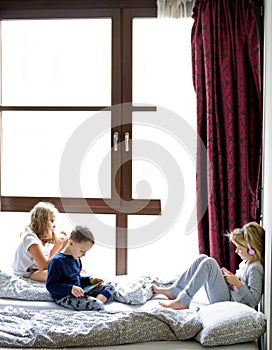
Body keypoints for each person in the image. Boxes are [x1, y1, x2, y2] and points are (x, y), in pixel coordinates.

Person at [152, 221, 265, 310]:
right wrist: (229, 277)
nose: (236, 251)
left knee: (209, 263)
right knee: (202, 258)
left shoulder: (255, 268)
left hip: (230, 301)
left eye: (239, 248)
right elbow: (240, 283)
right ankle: (174, 291)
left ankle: (184, 300)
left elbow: (254, 300)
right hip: (229, 294)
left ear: (252, 250)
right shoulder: (246, 263)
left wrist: (237, 283)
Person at [46, 225, 116, 311]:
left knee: (111, 285)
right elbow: (51, 286)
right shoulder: (57, 261)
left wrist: (90, 280)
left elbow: (77, 278)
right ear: (71, 243)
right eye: (82, 251)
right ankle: (95, 303)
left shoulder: (76, 259)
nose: (84, 255)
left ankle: (93, 302)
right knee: (96, 304)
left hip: (80, 291)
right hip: (65, 296)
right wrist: (70, 288)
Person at [12, 201, 68, 282]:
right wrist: (61, 248)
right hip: (26, 274)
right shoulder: (30, 239)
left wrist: (59, 243)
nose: (54, 225)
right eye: (51, 221)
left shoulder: (41, 237)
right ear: (42, 222)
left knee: (70, 267)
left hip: (37, 269)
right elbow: (45, 266)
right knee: (58, 273)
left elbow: (48, 259)